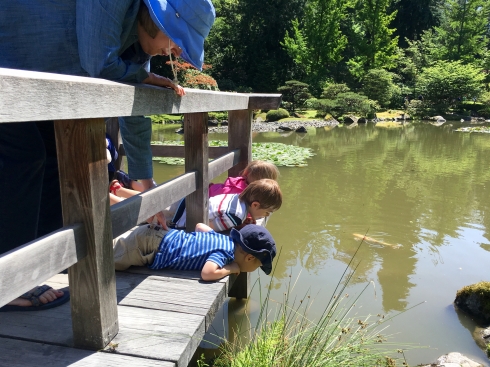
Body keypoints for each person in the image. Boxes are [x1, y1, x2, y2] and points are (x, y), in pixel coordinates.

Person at [0, 0, 215, 310]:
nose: (177, 53)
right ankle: (10, 281)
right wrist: (143, 77)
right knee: (25, 156)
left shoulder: (136, 43)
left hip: (35, 80)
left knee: (53, 159)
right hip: (12, 69)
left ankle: (43, 263)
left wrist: (145, 182)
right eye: (176, 42)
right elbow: (99, 63)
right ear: (156, 20)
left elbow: (135, 113)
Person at [113, 222, 277, 281]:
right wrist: (231, 269)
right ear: (249, 258)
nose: (255, 270)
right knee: (109, 263)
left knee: (116, 247)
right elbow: (207, 273)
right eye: (258, 265)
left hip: (160, 234)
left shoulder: (223, 239)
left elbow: (200, 226)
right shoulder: (226, 254)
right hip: (149, 247)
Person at [173, 179, 282, 231]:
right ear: (255, 205)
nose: (266, 216)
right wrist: (236, 225)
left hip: (185, 209)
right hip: (185, 225)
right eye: (267, 212)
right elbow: (210, 228)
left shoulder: (237, 197)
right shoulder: (237, 216)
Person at [208, 160, 279, 197]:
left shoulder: (234, 183)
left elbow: (218, 191)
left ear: (246, 173)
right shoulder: (259, 195)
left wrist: (210, 187)